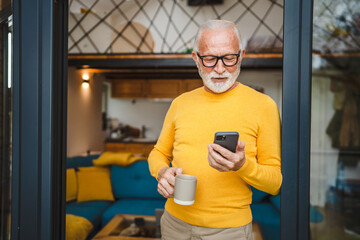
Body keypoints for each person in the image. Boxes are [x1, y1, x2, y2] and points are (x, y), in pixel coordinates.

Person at [148, 19, 282, 240]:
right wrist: (162, 172)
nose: (220, 69)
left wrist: (242, 166)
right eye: (210, 59)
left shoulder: (264, 106)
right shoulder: (180, 103)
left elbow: (274, 183)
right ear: (196, 58)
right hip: (174, 225)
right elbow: (158, 153)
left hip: (230, 232)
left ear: (241, 55)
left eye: (229, 58)